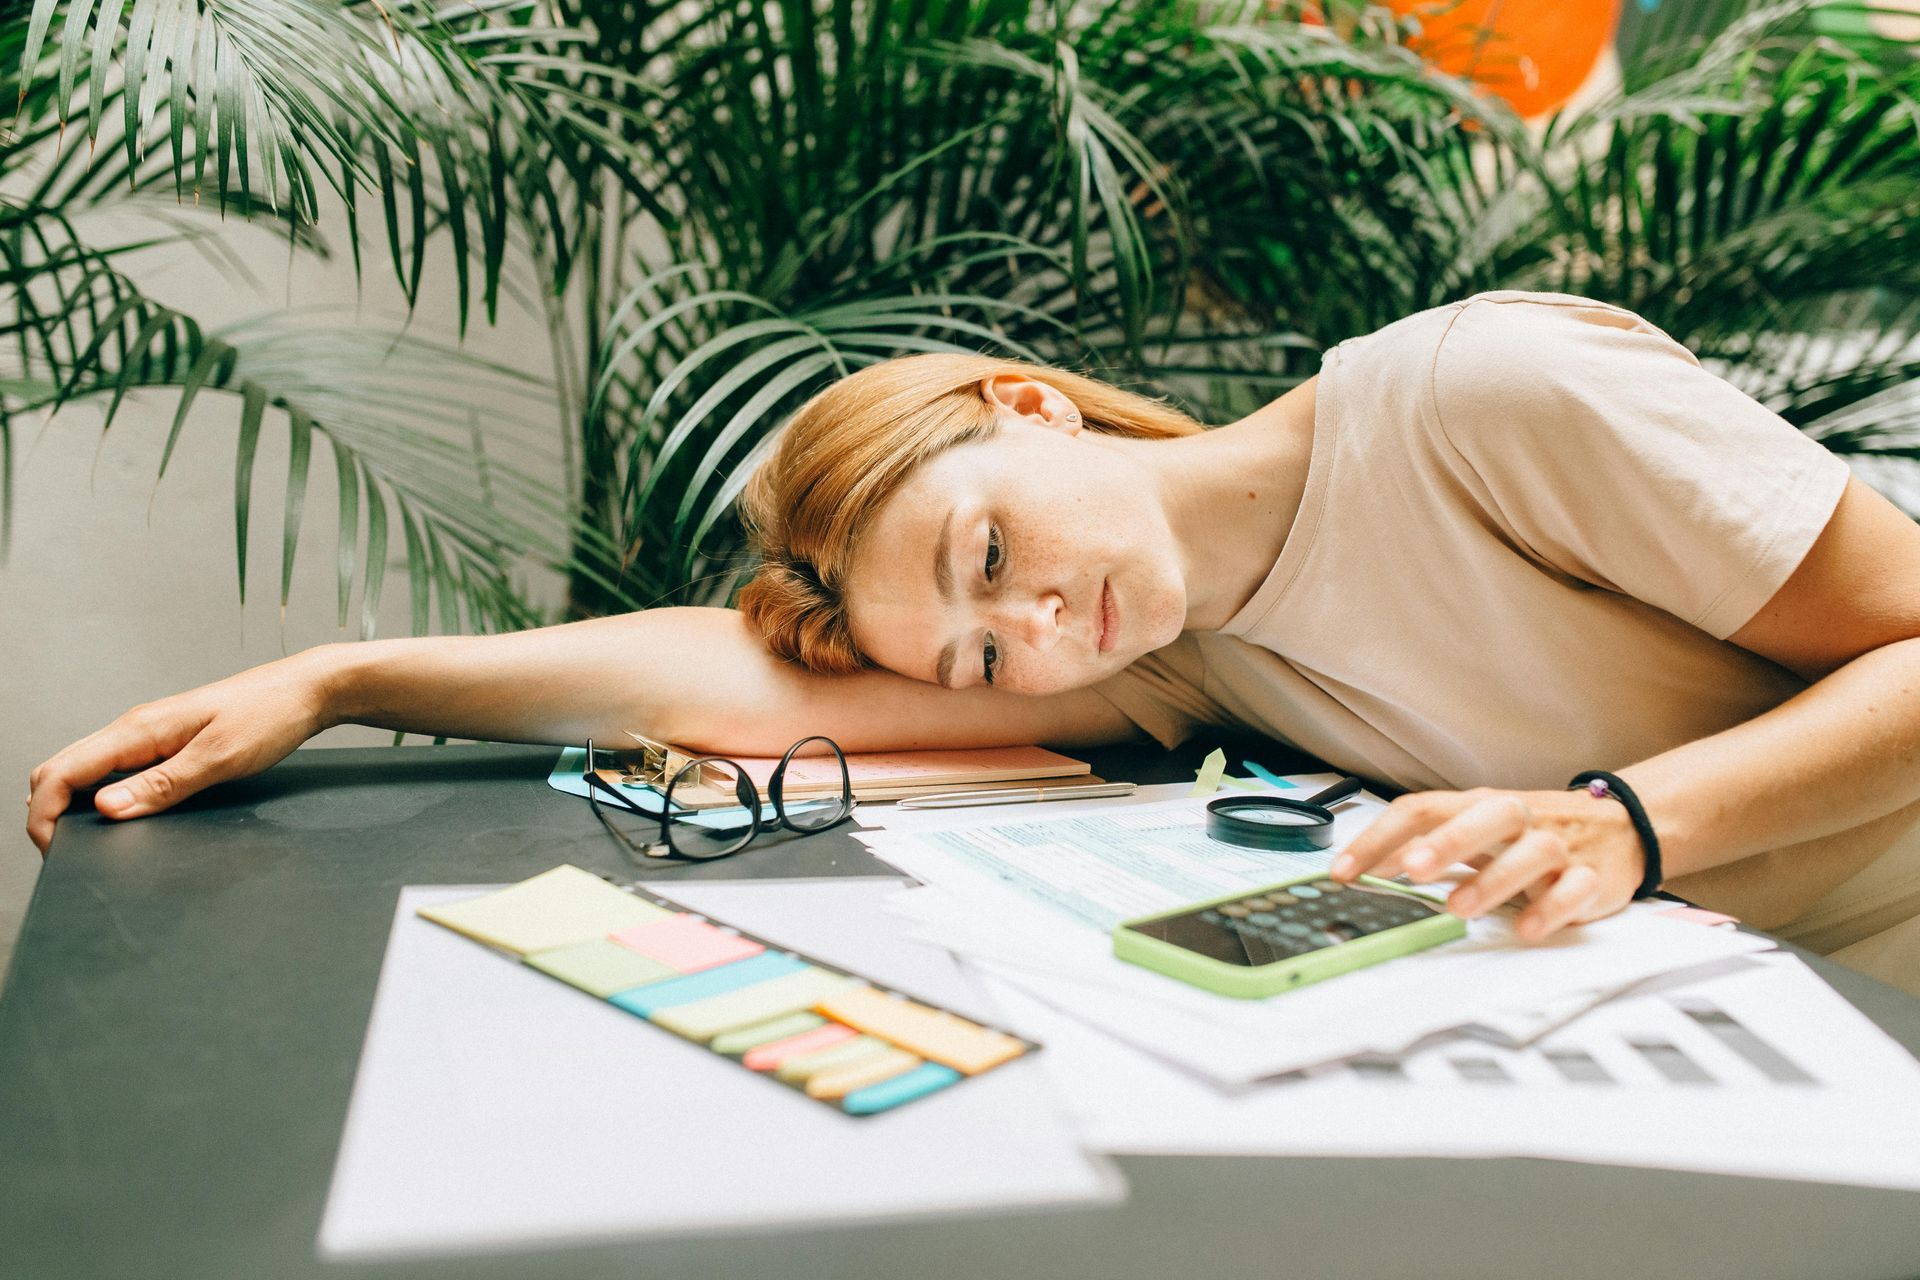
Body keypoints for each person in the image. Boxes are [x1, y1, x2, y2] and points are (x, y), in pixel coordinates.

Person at [26, 290, 1920, 995]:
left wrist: (1626, 824)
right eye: (984, 656)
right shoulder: (1187, 655)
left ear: (1030, 404)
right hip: (1744, 1023)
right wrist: (348, 677)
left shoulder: (1480, 399)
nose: (1033, 627)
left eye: (991, 546)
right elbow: (713, 669)